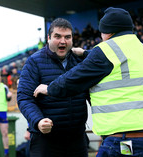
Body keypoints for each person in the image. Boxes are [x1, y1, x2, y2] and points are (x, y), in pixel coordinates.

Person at [34, 7, 143, 157]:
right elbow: (115, 60)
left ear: (108, 31)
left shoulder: (106, 50)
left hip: (123, 141)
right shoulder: (139, 47)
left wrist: (49, 88)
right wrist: (86, 53)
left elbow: (75, 78)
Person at [17, 18, 89, 157]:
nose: (63, 41)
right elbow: (24, 97)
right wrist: (38, 121)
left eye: (67, 37)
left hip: (76, 139)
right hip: (45, 140)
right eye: (57, 36)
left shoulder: (80, 61)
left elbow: (105, 59)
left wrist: (86, 53)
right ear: (49, 38)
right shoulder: (34, 62)